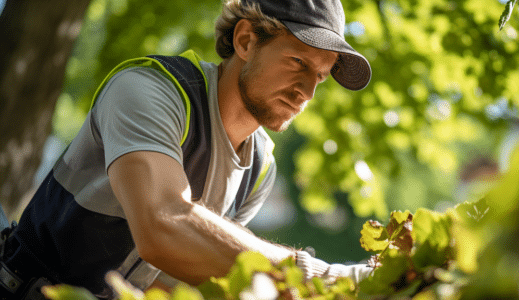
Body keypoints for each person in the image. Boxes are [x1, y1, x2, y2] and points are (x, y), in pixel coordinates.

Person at [0, 0, 373, 298]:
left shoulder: (259, 167)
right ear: (245, 41)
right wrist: (317, 275)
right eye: (298, 63)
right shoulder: (150, 90)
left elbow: (184, 274)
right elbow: (163, 225)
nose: (307, 92)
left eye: (319, 77)